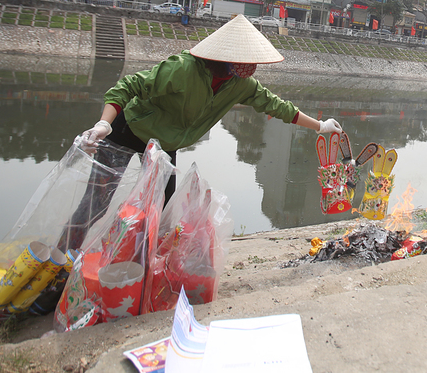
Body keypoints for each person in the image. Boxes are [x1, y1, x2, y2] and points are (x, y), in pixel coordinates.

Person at [65, 14, 341, 251]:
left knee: (162, 207)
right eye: (244, 59)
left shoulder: (241, 84)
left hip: (164, 143)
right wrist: (104, 124)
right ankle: (62, 256)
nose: (250, 67)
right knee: (97, 201)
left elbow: (278, 107)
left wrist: (320, 126)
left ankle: (144, 260)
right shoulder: (183, 69)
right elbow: (127, 87)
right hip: (129, 129)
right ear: (224, 55)